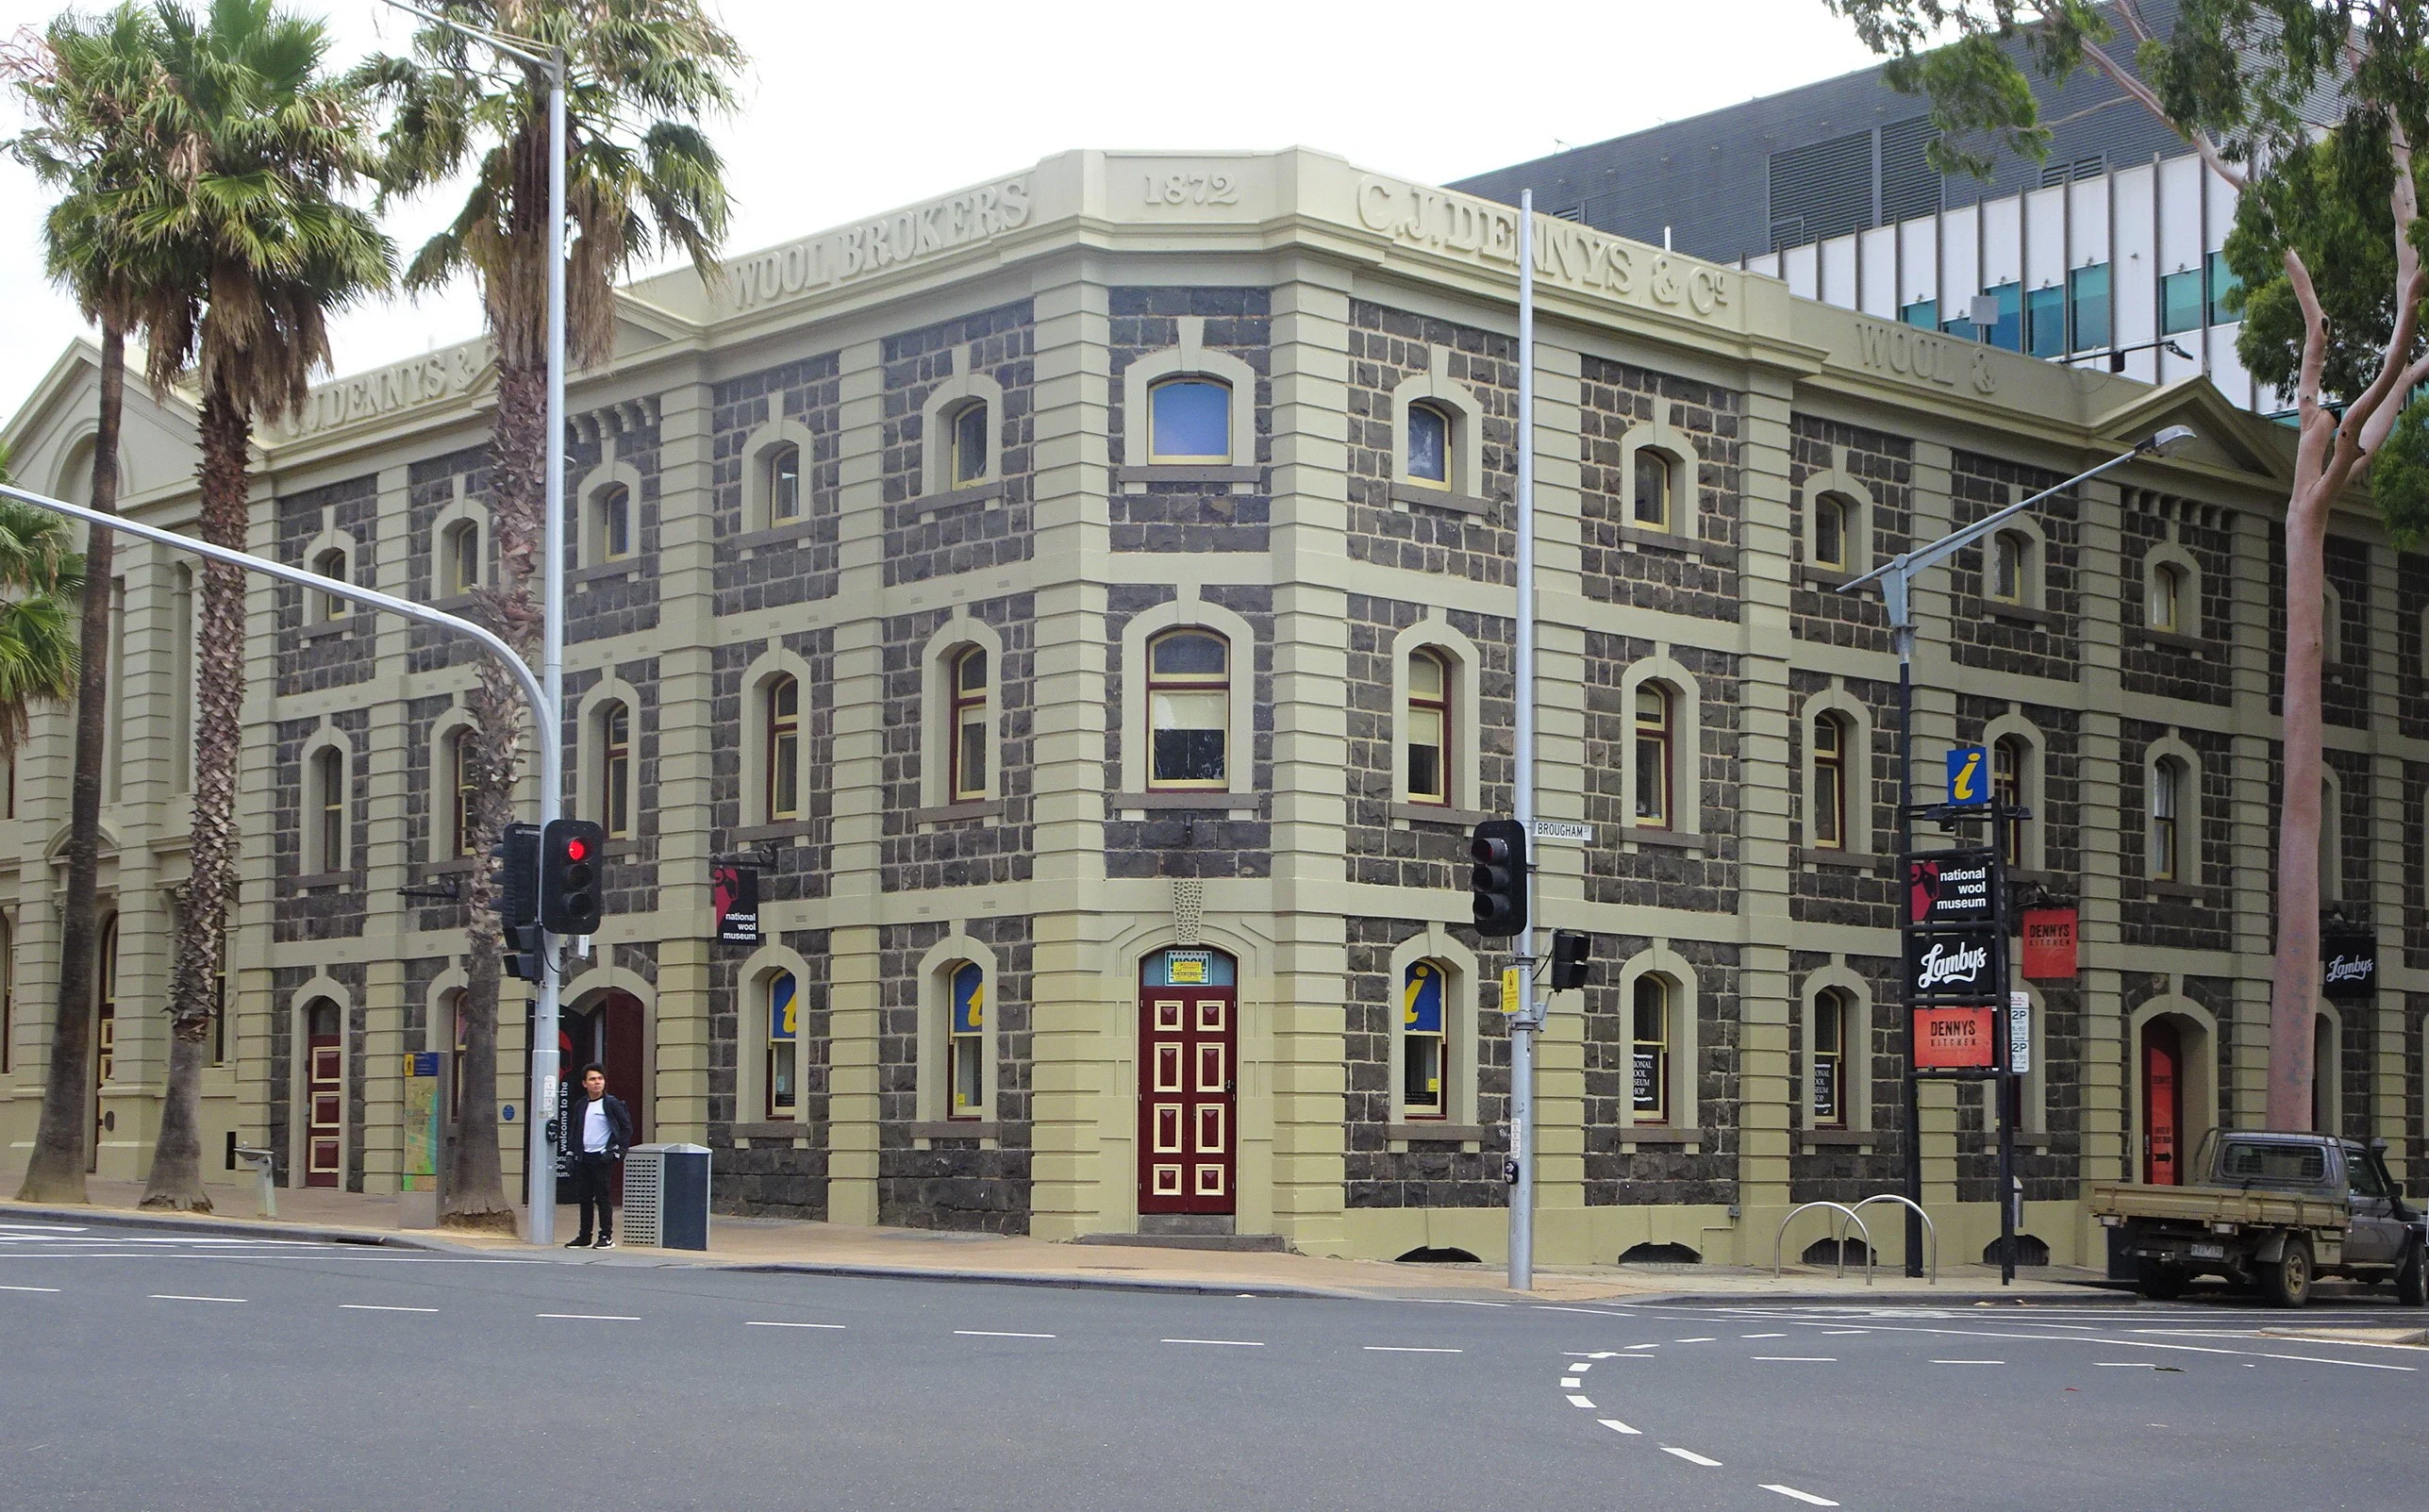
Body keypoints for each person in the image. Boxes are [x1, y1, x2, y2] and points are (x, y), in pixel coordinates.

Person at [559, 1063, 632, 1249]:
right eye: (592, 1079)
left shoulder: (611, 1103)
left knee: (603, 1197)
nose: (597, 1083)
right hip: (584, 1157)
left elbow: (625, 1129)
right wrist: (570, 1154)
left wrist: (615, 1151)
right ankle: (584, 1236)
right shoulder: (581, 1105)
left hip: (602, 1157)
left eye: (600, 1079)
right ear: (585, 1083)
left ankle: (606, 1236)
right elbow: (575, 1131)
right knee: (584, 1197)